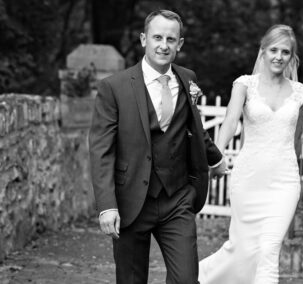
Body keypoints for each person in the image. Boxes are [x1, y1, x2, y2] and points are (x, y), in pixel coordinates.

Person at [89, 9, 226, 284]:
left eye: (171, 39)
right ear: (143, 39)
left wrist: (215, 158)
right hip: (131, 201)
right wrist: (106, 205)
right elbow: (101, 150)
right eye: (157, 37)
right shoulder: (113, 88)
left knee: (186, 280)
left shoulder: (188, 78)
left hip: (177, 198)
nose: (164, 45)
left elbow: (193, 127)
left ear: (180, 44)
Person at [198, 24, 303, 284]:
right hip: (248, 180)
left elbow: (295, 140)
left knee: (269, 250)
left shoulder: (300, 94)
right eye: (273, 49)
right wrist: (214, 156)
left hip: (284, 182)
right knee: (242, 250)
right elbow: (229, 121)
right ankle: (200, 277)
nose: (278, 56)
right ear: (263, 51)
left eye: (285, 52)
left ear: (291, 56)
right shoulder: (244, 85)